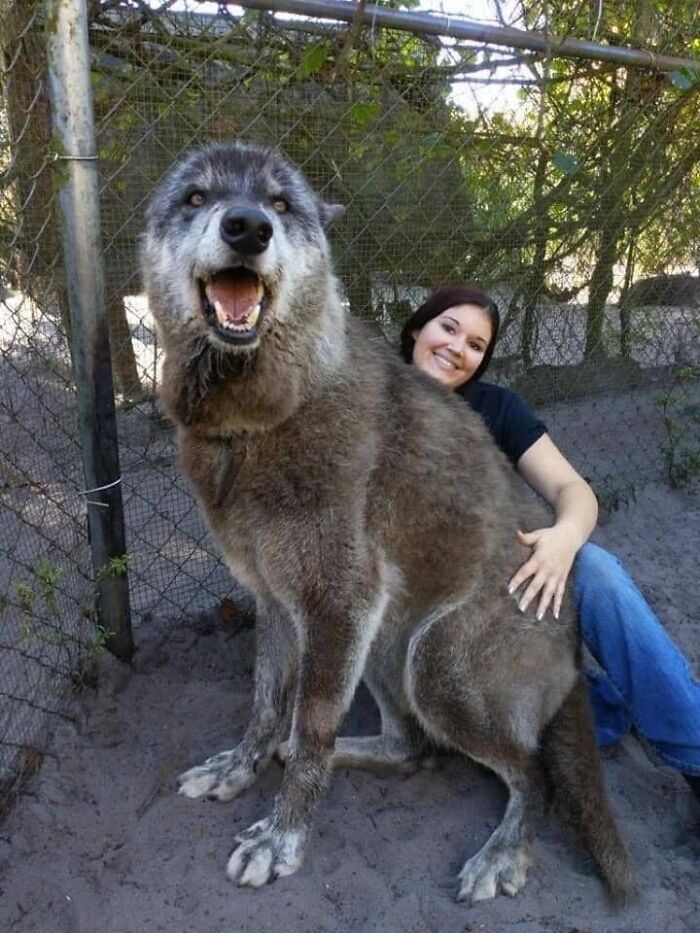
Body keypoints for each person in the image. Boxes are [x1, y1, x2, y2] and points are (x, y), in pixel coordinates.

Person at [399, 283, 700, 800]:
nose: (457, 348)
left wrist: (563, 539)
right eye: (448, 328)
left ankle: (695, 758)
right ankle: (600, 705)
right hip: (419, 614)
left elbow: (572, 489)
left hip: (499, 582)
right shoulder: (362, 403)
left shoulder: (494, 408)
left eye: (476, 344)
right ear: (415, 331)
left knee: (597, 570)